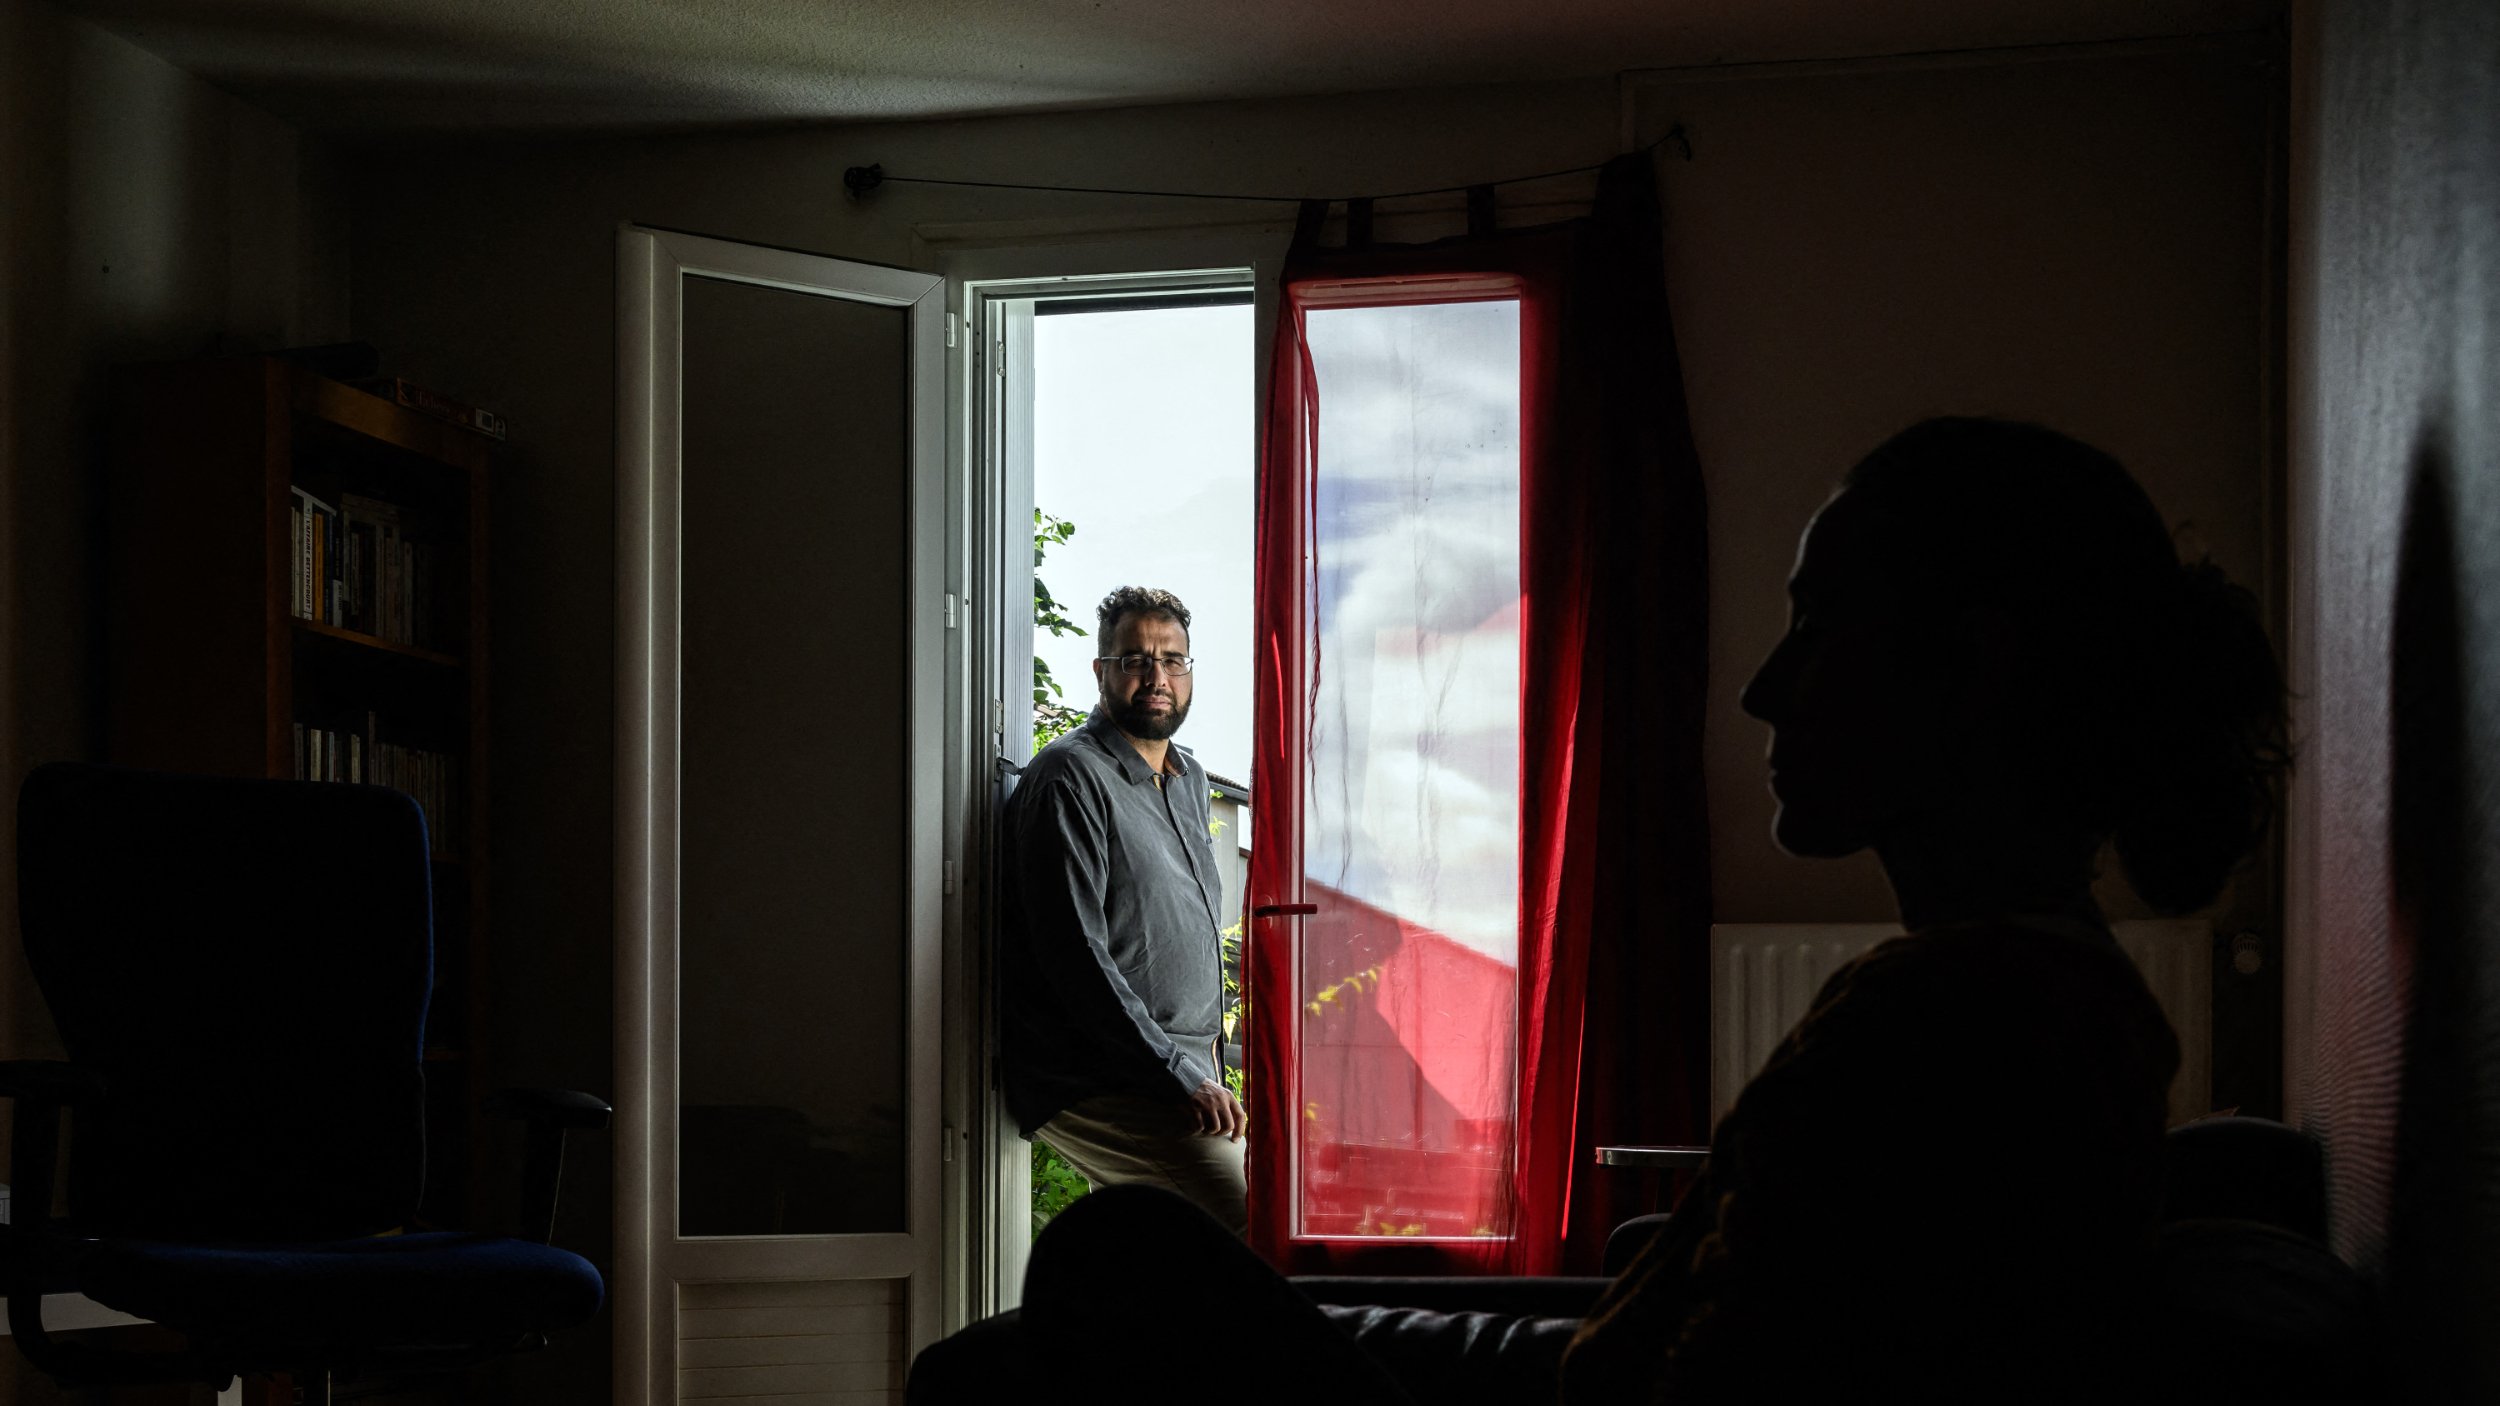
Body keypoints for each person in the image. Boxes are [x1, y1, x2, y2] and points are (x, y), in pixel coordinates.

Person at [981, 419, 2290, 1404]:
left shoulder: (1947, 1031)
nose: (1762, 690)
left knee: (1074, 1315)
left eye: (1817, 625)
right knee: (1117, 1279)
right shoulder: (2025, 999)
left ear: (1973, 670)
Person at [1001, 584, 1250, 1234]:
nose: (1156, 677)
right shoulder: (1068, 778)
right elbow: (1075, 957)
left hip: (1183, 1073)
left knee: (1159, 1267)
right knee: (1252, 1223)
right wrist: (1175, 1075)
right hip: (1106, 1077)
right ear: (1102, 671)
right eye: (1136, 659)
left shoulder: (1188, 780)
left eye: (1172, 660)